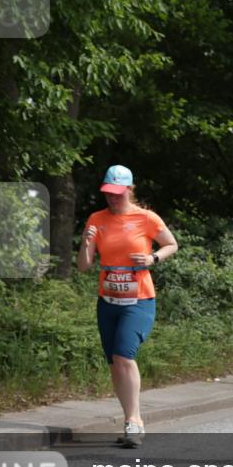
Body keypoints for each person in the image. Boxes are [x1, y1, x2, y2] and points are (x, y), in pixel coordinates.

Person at [77, 165, 178, 448]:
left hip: (139, 299)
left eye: (118, 193)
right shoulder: (96, 219)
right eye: (108, 193)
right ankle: (129, 418)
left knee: (124, 355)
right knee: (114, 362)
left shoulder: (145, 218)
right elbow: (83, 266)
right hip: (107, 301)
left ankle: (135, 420)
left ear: (130, 190)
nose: (112, 198)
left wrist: (152, 259)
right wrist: (86, 244)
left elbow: (171, 244)